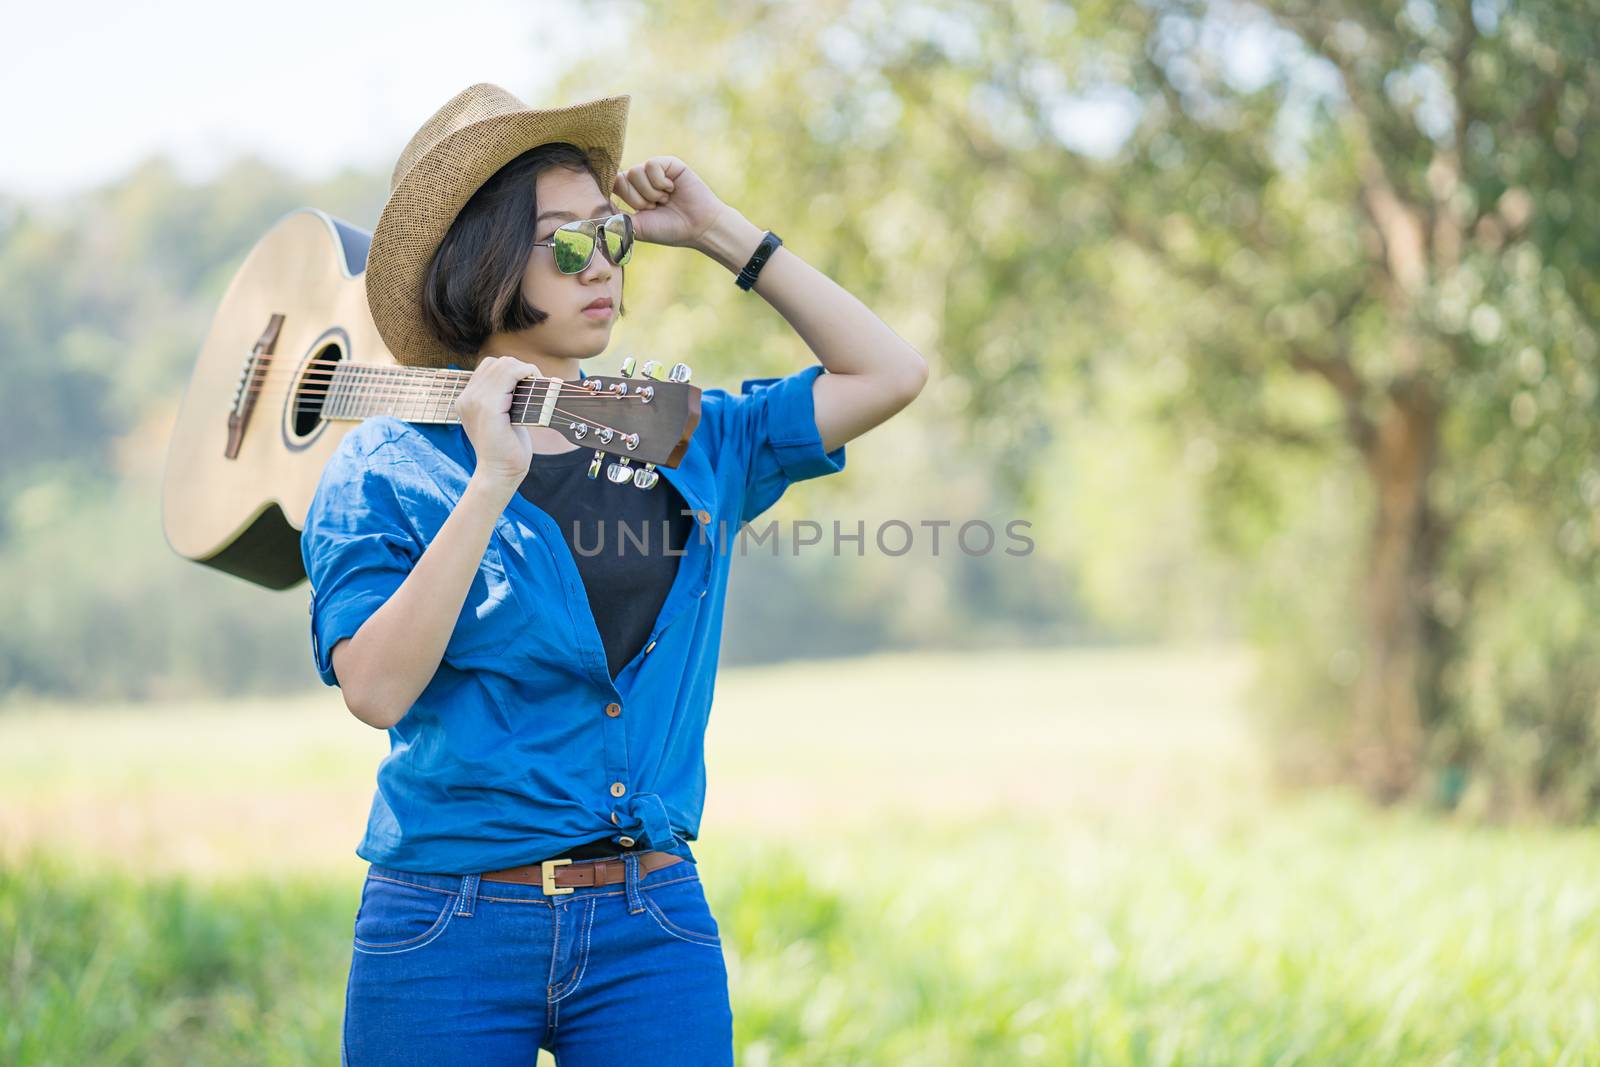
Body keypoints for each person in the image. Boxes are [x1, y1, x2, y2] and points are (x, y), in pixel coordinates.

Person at [301, 84, 928, 1066]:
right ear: (480, 261)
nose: (600, 265)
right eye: (563, 243)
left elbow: (888, 373)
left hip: (650, 923)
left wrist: (720, 231)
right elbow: (375, 688)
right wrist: (493, 480)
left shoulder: (679, 433)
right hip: (444, 925)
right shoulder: (388, 467)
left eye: (610, 237)